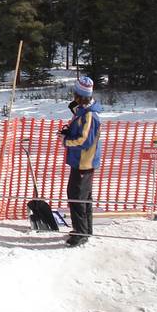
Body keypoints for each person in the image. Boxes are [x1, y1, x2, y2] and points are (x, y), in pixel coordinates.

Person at [59, 74, 101, 247]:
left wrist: (66, 141)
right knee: (83, 197)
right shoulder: (83, 111)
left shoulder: (89, 115)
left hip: (84, 162)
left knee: (76, 197)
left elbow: (85, 140)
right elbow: (80, 131)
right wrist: (68, 132)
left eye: (75, 93)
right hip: (81, 161)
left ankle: (80, 233)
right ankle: (85, 230)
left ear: (80, 95)